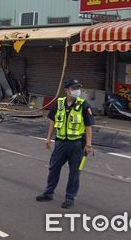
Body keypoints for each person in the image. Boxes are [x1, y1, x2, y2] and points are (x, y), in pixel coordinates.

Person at [36, 79, 94, 209]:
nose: (77, 91)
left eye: (78, 88)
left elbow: (88, 126)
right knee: (53, 168)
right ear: (67, 90)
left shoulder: (84, 105)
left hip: (76, 145)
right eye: (74, 88)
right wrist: (48, 138)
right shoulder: (59, 103)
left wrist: (88, 145)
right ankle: (48, 193)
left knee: (74, 172)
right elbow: (53, 121)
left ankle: (70, 197)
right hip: (61, 143)